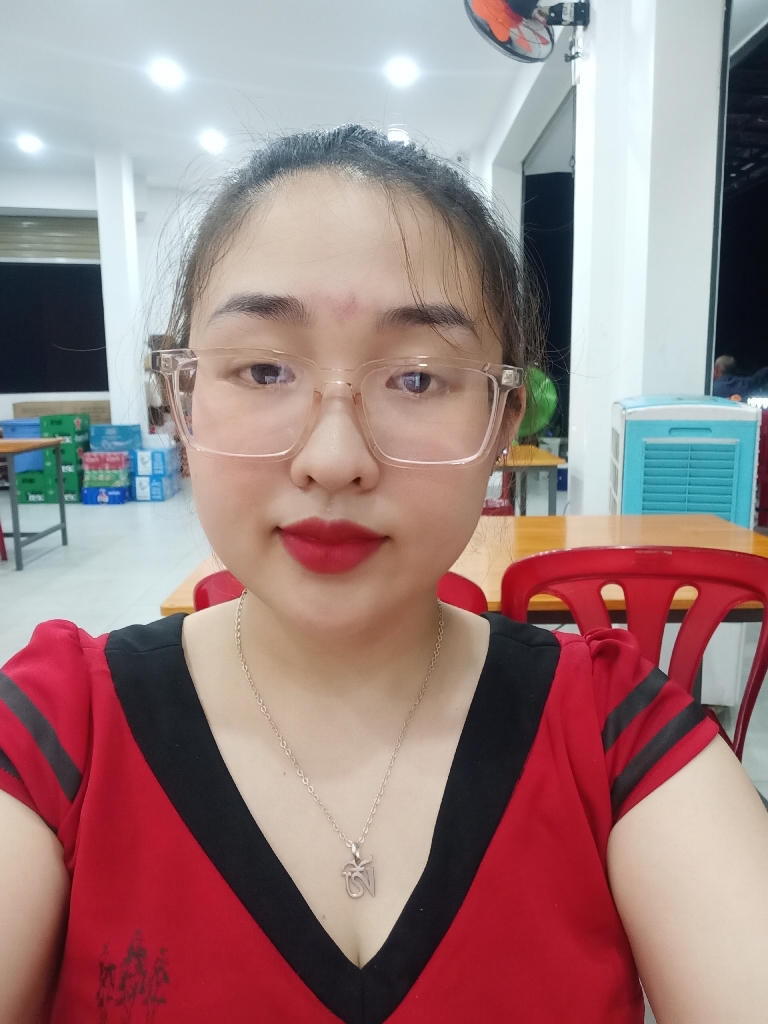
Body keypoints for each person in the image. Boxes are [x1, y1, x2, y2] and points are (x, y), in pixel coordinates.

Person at [1, 127, 768, 1024]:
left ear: (503, 421)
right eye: (263, 368)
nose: (334, 460)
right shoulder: (60, 733)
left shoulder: (612, 732)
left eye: (416, 379)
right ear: (185, 396)